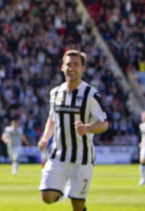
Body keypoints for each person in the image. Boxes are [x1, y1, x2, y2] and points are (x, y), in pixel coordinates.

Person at [37, 50, 109, 211]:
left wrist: (88, 128)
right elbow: (52, 119)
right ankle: (63, 191)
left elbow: (104, 124)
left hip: (82, 158)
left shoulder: (91, 94)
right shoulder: (55, 93)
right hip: (58, 155)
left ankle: (72, 194)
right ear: (63, 67)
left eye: (76, 64)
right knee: (47, 196)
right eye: (69, 64)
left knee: (77, 206)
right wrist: (45, 138)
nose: (72, 68)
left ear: (83, 68)